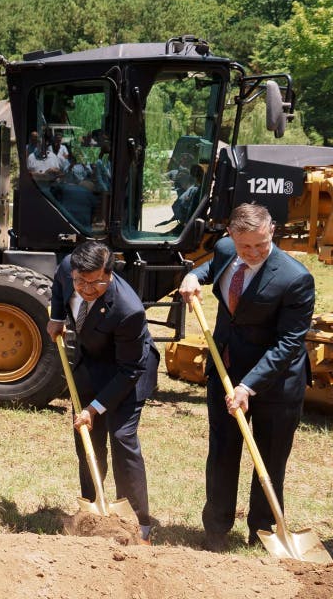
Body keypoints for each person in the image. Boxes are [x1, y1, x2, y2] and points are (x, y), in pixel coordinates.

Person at [179, 203, 315, 551]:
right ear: (231, 237)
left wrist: (248, 385)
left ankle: (263, 531)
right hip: (226, 369)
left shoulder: (294, 278)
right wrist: (195, 275)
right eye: (245, 247)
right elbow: (216, 265)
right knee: (223, 451)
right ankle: (216, 529)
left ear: (272, 231)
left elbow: (288, 344)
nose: (253, 253)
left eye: (261, 245)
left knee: (268, 457)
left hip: (276, 381)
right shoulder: (226, 250)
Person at [47, 241, 159, 545]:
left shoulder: (128, 309)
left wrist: (94, 408)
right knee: (87, 439)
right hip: (90, 365)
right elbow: (59, 287)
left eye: (95, 282)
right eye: (80, 281)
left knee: (122, 437)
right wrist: (57, 317)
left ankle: (139, 524)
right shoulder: (69, 269)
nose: (85, 288)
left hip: (128, 370)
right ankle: (92, 507)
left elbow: (129, 370)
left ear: (109, 275)